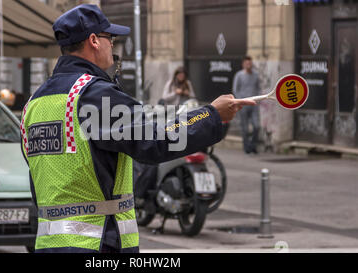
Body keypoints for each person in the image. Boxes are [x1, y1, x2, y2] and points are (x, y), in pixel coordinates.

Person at [20, 4, 255, 253]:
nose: (113, 44)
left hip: (48, 246)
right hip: (98, 245)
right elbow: (157, 141)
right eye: (109, 37)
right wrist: (211, 115)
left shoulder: (34, 104)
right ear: (93, 41)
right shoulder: (95, 95)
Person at [232, 56, 261, 154]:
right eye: (247, 63)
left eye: (250, 63)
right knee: (244, 127)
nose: (249, 65)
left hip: (254, 104)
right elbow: (235, 90)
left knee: (257, 126)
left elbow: (258, 88)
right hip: (243, 105)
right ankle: (246, 147)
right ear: (243, 64)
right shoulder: (239, 75)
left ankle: (253, 145)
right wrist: (240, 101)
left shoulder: (256, 75)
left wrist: (259, 99)